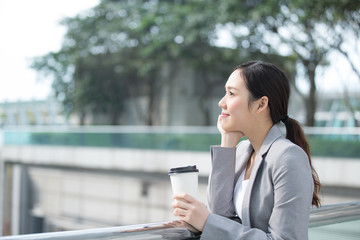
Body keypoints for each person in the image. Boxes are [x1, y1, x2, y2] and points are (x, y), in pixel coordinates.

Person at [172, 60, 321, 239]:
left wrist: (206, 221)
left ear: (261, 104)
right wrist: (227, 142)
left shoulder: (288, 158)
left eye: (231, 93)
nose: (222, 102)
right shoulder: (243, 151)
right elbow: (219, 217)